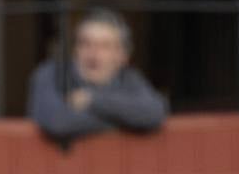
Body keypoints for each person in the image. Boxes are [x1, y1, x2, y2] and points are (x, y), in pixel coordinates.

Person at [28, 8, 167, 144]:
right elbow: (58, 122)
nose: (93, 54)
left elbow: (155, 112)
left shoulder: (129, 78)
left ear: (122, 56)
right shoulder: (51, 73)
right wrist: (128, 120)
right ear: (75, 49)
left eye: (104, 46)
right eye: (85, 43)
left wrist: (92, 100)